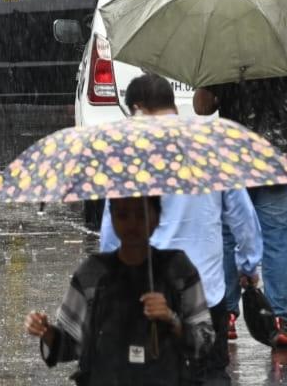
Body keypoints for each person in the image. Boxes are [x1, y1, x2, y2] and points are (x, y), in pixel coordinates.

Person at [100, 74, 262, 383]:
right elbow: (242, 216)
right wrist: (248, 264)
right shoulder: (210, 146)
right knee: (211, 372)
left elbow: (113, 230)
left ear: (138, 109)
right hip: (205, 293)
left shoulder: (127, 156)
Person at [26, 196, 215, 385]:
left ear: (156, 218)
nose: (132, 224)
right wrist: (47, 331)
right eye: (123, 215)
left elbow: (205, 341)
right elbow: (68, 345)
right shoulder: (92, 273)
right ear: (112, 218)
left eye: (141, 215)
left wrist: (172, 320)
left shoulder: (178, 270)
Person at [194, 73, 287, 349]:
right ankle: (279, 321)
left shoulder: (222, 56)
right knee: (276, 241)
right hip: (278, 160)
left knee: (228, 237)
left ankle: (226, 315)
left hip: (235, 159)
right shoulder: (283, 55)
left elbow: (202, 107)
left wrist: (207, 79)